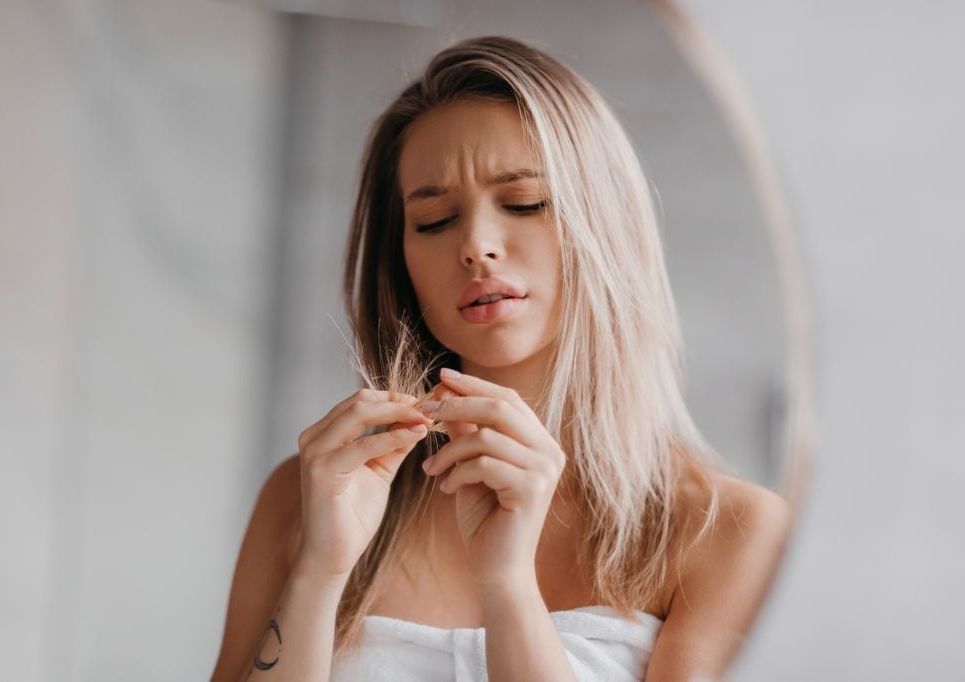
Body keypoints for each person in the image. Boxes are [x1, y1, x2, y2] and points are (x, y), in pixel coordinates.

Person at [211, 35, 792, 682]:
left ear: (605, 219)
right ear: (399, 261)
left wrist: (509, 586)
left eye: (524, 204)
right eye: (433, 220)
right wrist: (318, 573)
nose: (477, 246)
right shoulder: (307, 498)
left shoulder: (728, 530)